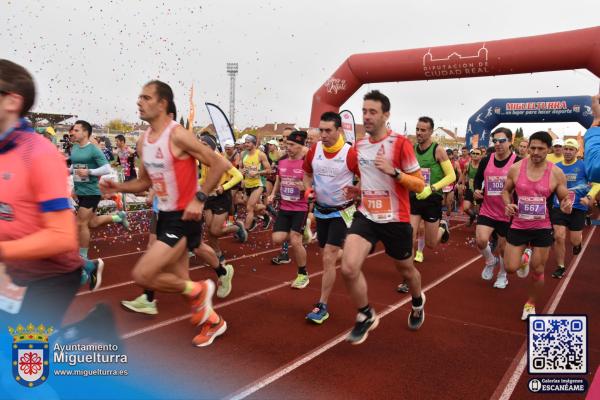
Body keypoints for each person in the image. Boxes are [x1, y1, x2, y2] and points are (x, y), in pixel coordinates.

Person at [101, 80, 231, 346]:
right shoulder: (142, 142)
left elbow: (219, 163)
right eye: (139, 97)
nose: (139, 101)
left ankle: (202, 288)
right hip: (165, 216)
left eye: (146, 97)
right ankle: (213, 322)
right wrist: (118, 186)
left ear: (162, 104)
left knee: (144, 275)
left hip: (184, 216)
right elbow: (143, 183)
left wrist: (200, 198)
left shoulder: (177, 134)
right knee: (179, 280)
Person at [341, 90, 426, 344]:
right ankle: (366, 314)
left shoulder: (400, 144)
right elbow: (366, 177)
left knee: (406, 270)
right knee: (348, 267)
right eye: (364, 111)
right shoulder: (359, 146)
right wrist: (359, 190)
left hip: (396, 219)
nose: (366, 116)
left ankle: (418, 301)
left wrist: (395, 173)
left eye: (372, 112)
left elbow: (419, 185)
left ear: (386, 115)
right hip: (367, 214)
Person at [501, 131, 572, 320]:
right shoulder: (516, 168)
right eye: (532, 148)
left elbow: (565, 198)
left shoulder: (556, 173)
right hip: (518, 224)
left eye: (541, 148)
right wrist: (508, 203)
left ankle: (530, 303)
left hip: (542, 227)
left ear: (548, 150)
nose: (535, 152)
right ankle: (524, 257)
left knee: (538, 270)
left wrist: (566, 205)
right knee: (509, 268)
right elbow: (505, 191)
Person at [302, 112, 360, 322]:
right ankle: (353, 252)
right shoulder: (314, 150)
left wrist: (357, 190)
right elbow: (307, 174)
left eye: (328, 131)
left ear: (339, 131)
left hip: (342, 211)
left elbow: (366, 178)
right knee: (329, 253)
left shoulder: (349, 154)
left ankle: (322, 305)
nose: (323, 135)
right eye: (321, 130)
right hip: (321, 209)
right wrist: (308, 190)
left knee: (328, 256)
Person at [69, 120, 129, 288]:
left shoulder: (93, 149)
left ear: (85, 133)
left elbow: (107, 169)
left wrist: (89, 172)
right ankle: (119, 217)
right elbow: (74, 166)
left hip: (92, 192)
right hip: (80, 191)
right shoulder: (74, 148)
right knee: (92, 222)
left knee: (81, 224)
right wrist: (68, 175)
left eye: (76, 130)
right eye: (73, 130)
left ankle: (84, 265)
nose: (73, 132)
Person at [198, 133, 246, 298]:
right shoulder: (203, 159)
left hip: (221, 197)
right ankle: (218, 255)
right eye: (200, 143)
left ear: (211, 145)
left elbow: (238, 176)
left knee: (216, 230)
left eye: (204, 143)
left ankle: (237, 227)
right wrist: (196, 184)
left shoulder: (219, 159)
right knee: (210, 231)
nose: (200, 145)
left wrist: (224, 187)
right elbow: (204, 177)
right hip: (209, 197)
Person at [473, 127, 521, 289]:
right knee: (480, 240)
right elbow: (478, 179)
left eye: (502, 141)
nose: (498, 144)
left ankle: (502, 275)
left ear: (510, 142)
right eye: (495, 141)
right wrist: (476, 190)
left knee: (502, 248)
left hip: (508, 212)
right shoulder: (487, 160)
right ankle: (490, 261)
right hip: (488, 208)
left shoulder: (517, 162)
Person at [404, 116, 454, 269]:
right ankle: (408, 275)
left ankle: (442, 227)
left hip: (432, 199)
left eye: (423, 130)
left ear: (431, 132)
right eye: (417, 129)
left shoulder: (437, 150)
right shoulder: (412, 149)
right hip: (414, 198)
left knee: (431, 244)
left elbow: (451, 176)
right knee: (409, 237)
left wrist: (431, 189)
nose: (419, 133)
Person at [267, 131, 311, 290]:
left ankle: (302, 274)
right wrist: (273, 194)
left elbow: (313, 186)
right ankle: (303, 231)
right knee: (277, 238)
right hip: (285, 207)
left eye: (292, 145)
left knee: (295, 239)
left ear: (302, 146)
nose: (288, 147)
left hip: (300, 207)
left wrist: (305, 188)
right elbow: (279, 178)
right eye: (287, 144)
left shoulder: (307, 163)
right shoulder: (283, 161)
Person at [550, 138, 600, 279]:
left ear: (577, 152)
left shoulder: (585, 166)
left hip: (578, 207)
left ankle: (578, 243)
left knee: (574, 240)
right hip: (559, 206)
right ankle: (560, 266)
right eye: (565, 148)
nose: (567, 151)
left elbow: (597, 184)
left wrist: (589, 197)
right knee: (559, 236)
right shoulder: (556, 167)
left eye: (571, 149)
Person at [240, 134, 271, 231]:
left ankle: (244, 231)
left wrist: (257, 172)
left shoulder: (260, 154)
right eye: (245, 142)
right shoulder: (243, 154)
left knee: (250, 207)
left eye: (248, 142)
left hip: (258, 184)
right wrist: (242, 172)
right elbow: (240, 168)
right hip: (247, 183)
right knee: (248, 205)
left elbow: (269, 170)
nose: (246, 144)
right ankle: (266, 214)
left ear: (254, 143)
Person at [461, 148, 482, 226]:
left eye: (477, 154)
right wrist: (463, 184)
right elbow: (464, 174)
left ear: (481, 156)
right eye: (474, 153)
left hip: (479, 190)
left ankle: (480, 228)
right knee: (466, 208)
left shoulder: (482, 165)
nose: (475, 155)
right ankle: (472, 216)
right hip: (470, 188)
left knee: (479, 211)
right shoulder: (468, 164)